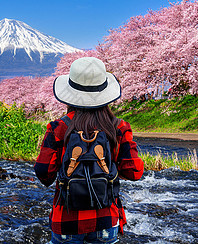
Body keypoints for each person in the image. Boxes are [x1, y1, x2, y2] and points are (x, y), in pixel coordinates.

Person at [34, 57, 144, 244]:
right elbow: (134, 172)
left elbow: (44, 173)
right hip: (106, 219)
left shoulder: (58, 128)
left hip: (65, 220)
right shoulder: (119, 128)